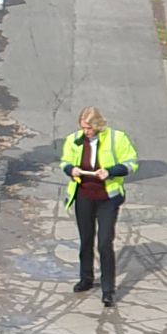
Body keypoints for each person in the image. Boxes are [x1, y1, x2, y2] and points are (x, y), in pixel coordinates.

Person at [59, 106, 138, 306]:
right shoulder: (74, 140)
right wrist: (71, 170)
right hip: (84, 196)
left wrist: (111, 171)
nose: (85, 132)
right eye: (83, 128)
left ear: (97, 125)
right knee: (86, 240)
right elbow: (65, 162)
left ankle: (108, 289)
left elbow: (131, 163)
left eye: (89, 128)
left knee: (104, 242)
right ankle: (86, 278)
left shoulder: (117, 138)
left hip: (107, 198)